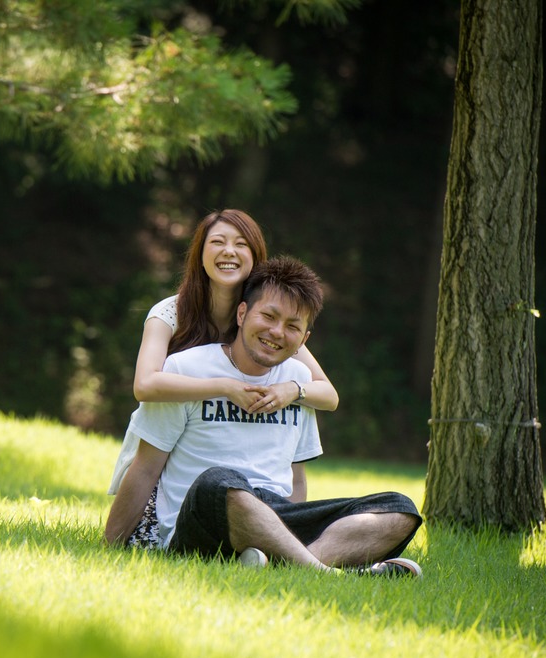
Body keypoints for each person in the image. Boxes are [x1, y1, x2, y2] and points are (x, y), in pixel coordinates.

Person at [103, 257, 422, 576]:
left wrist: (285, 529)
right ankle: (325, 571)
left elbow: (296, 479)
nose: (277, 332)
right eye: (269, 316)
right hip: (201, 518)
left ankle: (282, 560)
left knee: (399, 509)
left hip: (275, 515)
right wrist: (110, 543)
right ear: (242, 314)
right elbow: (145, 466)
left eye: (292, 326)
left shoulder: (298, 383)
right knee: (219, 482)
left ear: (304, 339)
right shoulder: (187, 369)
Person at [111, 208, 338, 547]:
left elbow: (327, 394)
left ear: (255, 257)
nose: (229, 251)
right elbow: (145, 385)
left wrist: (292, 389)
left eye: (241, 244)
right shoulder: (169, 313)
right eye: (217, 242)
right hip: (167, 442)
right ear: (200, 255)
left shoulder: (264, 322)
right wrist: (225, 388)